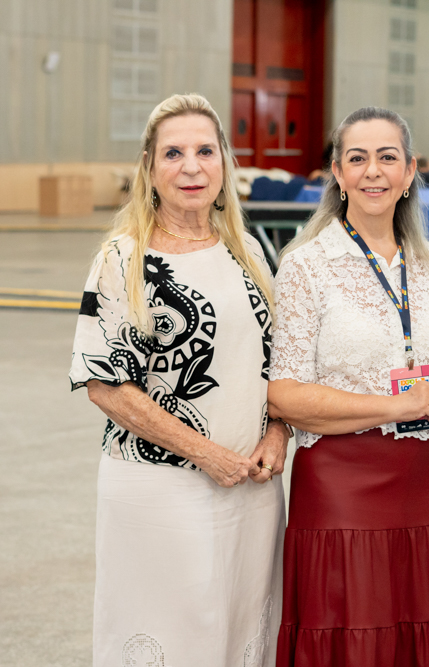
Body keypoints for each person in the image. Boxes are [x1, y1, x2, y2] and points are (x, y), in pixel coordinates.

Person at [69, 93, 288, 666]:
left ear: (224, 164)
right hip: (160, 492)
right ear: (149, 167)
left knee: (241, 633)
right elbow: (104, 384)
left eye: (205, 151)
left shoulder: (248, 251)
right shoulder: (122, 259)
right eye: (173, 153)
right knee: (171, 636)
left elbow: (278, 361)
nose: (191, 167)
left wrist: (278, 433)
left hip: (251, 491)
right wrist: (205, 454)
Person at [267, 107, 429, 665]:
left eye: (387, 157)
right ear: (338, 172)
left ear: (410, 171)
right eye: (357, 158)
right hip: (342, 487)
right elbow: (284, 394)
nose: (373, 171)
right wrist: (393, 406)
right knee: (351, 635)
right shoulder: (306, 265)